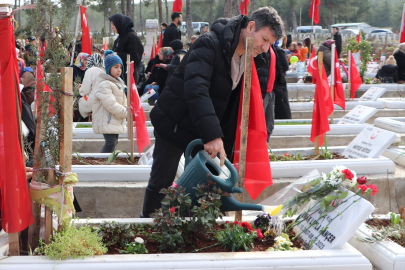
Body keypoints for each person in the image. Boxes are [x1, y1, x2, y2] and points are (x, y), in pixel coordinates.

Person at [141, 7, 284, 218]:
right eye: (263, 39)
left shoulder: (250, 57)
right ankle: (147, 226)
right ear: (251, 27)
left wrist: (225, 140)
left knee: (204, 187)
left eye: (269, 44)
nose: (264, 48)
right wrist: (212, 135)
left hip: (202, 128)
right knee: (162, 181)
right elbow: (196, 89)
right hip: (175, 121)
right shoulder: (210, 43)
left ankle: (191, 230)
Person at [92, 50, 128, 153]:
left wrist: (126, 108)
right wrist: (125, 112)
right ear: (108, 68)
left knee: (113, 143)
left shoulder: (119, 83)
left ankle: (108, 163)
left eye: (120, 67)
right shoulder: (105, 84)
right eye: (115, 67)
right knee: (110, 143)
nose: (119, 70)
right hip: (107, 119)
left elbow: (123, 100)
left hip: (115, 118)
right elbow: (111, 104)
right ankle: (102, 165)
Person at [109, 13, 144, 84]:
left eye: (113, 24)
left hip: (128, 75)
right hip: (118, 75)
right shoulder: (120, 38)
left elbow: (135, 57)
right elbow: (115, 52)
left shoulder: (132, 37)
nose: (112, 27)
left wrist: (117, 54)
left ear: (120, 24)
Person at [79, 53, 105, 119]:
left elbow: (84, 91)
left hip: (93, 102)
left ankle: (83, 121)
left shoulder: (90, 70)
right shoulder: (105, 71)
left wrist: (80, 88)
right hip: (104, 103)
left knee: (79, 101)